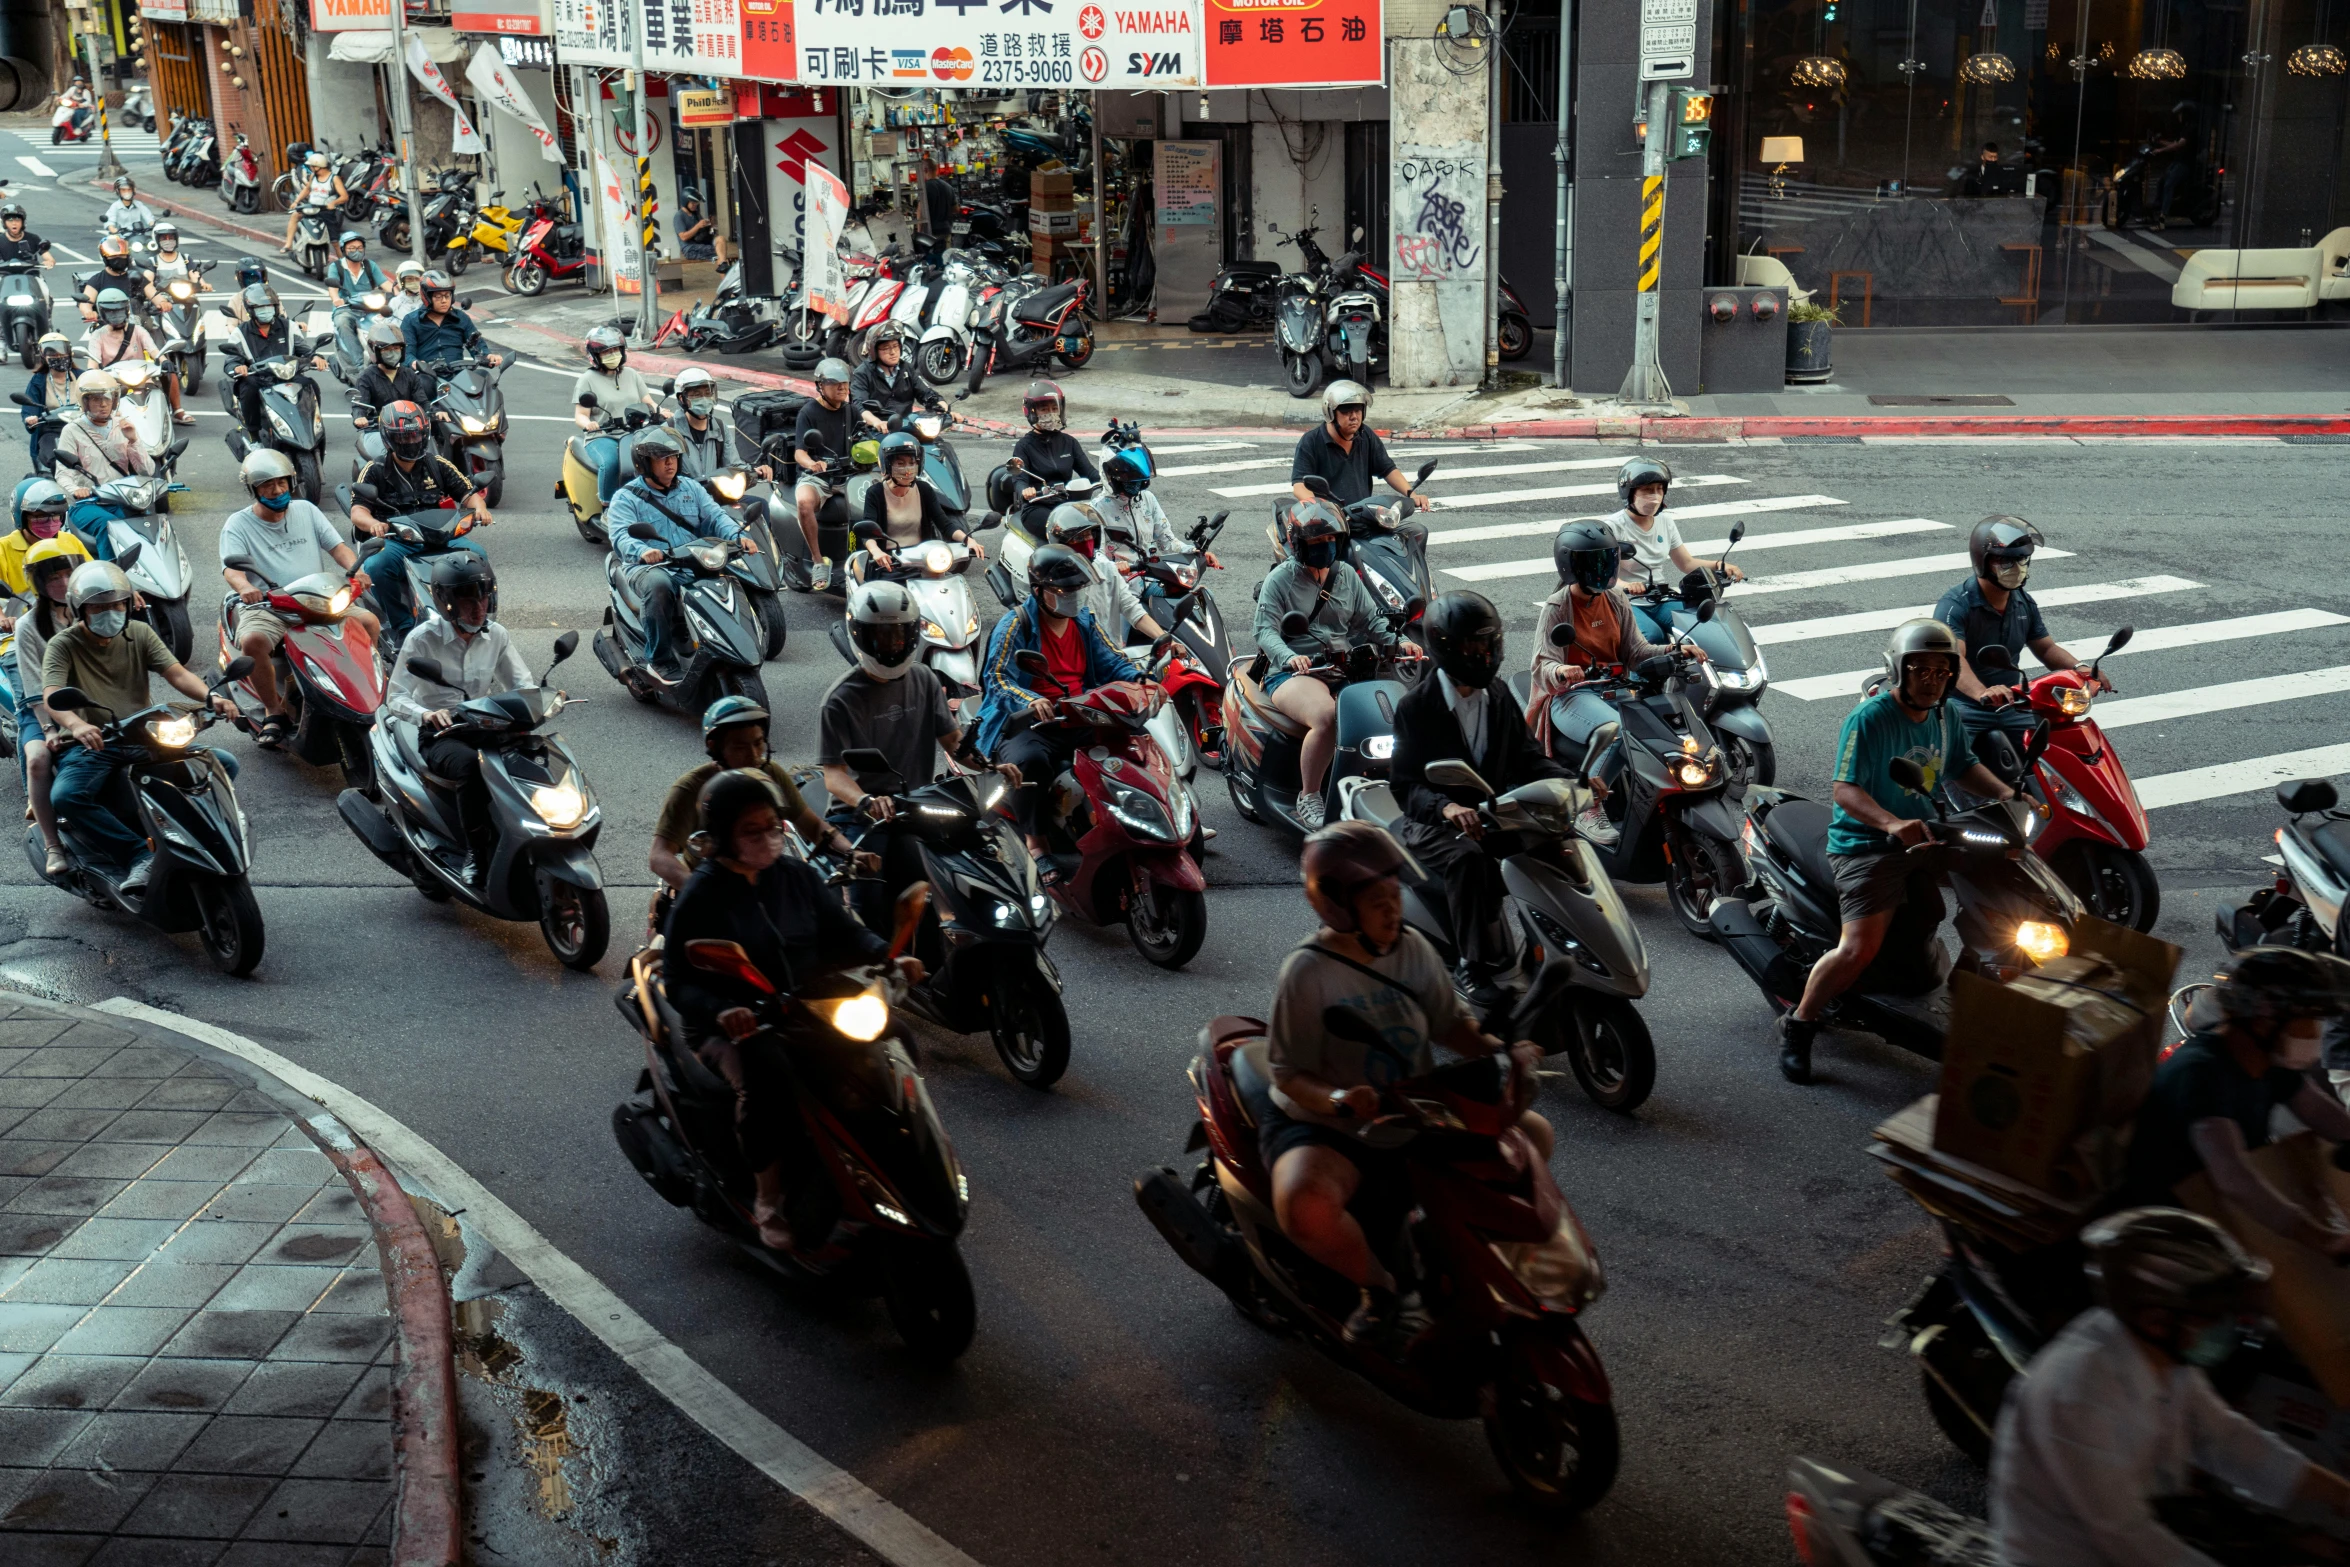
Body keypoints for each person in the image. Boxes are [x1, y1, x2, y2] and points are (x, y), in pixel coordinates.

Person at [1262, 821, 1548, 1348]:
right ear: (1338, 906)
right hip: (1330, 1125)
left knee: (1533, 1137)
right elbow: (1286, 1073)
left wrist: (1504, 1051)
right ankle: (1380, 1289)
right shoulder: (1307, 973)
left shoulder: (1411, 949)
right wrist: (1339, 1099)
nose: (1393, 911)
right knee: (1305, 1203)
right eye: (1377, 901)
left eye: (1394, 896)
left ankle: (1480, 1259)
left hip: (1412, 1107)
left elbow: (1450, 1024)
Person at [1991, 1207, 2350, 1565]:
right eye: (2213, 1317)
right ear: (2157, 1321)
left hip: (2151, 1522)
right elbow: (2129, 1537)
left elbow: (2228, 1440)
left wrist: (2343, 1496)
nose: (2227, 1327)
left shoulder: (2164, 1358)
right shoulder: (2076, 1396)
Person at [662, 769, 921, 1249]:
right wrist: (722, 1011)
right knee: (768, 1077)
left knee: (896, 1040)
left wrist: (888, 957)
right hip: (737, 1023)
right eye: (751, 831)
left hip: (804, 1007)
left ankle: (900, 1154)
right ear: (722, 838)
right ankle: (769, 1198)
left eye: (772, 826)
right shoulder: (703, 893)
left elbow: (843, 931)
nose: (768, 838)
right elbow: (677, 980)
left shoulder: (796, 875)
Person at [1776, 619, 2016, 1083]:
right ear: (1898, 671)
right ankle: (1800, 1023)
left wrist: (2008, 796)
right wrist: (1891, 823)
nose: (1931, 679)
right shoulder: (1869, 719)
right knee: (1858, 948)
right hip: (1867, 844)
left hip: (1927, 833)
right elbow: (1844, 789)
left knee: (1995, 895)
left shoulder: (1947, 716)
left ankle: (1964, 998)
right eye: (1920, 670)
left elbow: (1963, 765)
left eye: (1941, 670)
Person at [1391, 592, 1574, 1000]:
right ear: (1447, 649)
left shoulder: (1499, 695)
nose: (1484, 655)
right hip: (1434, 825)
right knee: (1469, 861)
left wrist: (1573, 782)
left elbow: (1528, 758)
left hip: (1494, 814)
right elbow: (1405, 787)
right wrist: (1448, 807)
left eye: (1489, 644)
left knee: (1558, 845)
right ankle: (1470, 965)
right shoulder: (1416, 708)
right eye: (1473, 647)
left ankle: (1556, 945)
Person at [2120, 948, 2350, 1249]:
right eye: (2308, 1020)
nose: (2315, 1033)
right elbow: (2235, 1179)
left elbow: (2319, 1110)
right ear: (2265, 1019)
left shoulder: (2268, 1061)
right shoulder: (2200, 1073)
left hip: (2215, 1213)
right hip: (2164, 1226)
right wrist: (2326, 1240)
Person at [821, 580, 1016, 933]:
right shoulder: (840, 699)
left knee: (973, 869)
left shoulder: (924, 679)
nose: (893, 645)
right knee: (870, 900)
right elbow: (833, 776)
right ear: (861, 637)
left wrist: (993, 766)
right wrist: (867, 801)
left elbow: (954, 741)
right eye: (883, 637)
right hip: (863, 818)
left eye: (900, 635)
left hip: (918, 806)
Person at [42, 560, 239, 891]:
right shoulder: (63, 644)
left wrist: (211, 697)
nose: (111, 612)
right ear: (80, 609)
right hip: (94, 743)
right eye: (99, 607)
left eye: (117, 604)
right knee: (67, 796)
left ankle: (191, 834)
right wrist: (76, 725)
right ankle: (137, 855)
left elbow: (176, 673)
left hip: (143, 734)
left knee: (222, 765)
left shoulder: (140, 633)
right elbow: (52, 695)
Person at [975, 543, 1140, 861]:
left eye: (1078, 587)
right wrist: (1031, 700)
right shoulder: (1014, 626)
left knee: (1134, 746)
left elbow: (1115, 662)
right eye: (1065, 588)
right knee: (1030, 763)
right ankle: (1037, 843)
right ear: (1038, 590)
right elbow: (996, 681)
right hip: (1028, 724)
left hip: (1081, 713)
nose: (1074, 594)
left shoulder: (1084, 622)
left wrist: (1142, 682)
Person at [1529, 519, 1682, 846]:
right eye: (1594, 563)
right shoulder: (1558, 606)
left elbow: (1636, 652)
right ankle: (1588, 807)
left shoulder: (1615, 598)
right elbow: (1542, 664)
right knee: (1617, 732)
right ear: (1572, 566)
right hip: (1571, 698)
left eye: (1607, 560)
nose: (1604, 569)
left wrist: (1674, 650)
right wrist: (1561, 671)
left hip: (1617, 690)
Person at [1251, 500, 1402, 829]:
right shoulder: (1281, 580)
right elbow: (1263, 630)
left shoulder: (1346, 575)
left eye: (1330, 541)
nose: (1325, 548)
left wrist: (1399, 642)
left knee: (1394, 712)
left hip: (1341, 666)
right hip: (1294, 673)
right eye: (1317, 543)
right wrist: (1290, 657)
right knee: (1325, 717)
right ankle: (1309, 796)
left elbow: (1371, 621)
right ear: (1298, 545)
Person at [383, 554, 533, 884]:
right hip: (443, 733)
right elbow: (395, 697)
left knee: (534, 756)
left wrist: (540, 703)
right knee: (470, 768)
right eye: (468, 601)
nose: (478, 608)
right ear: (447, 603)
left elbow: (521, 684)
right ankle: (475, 851)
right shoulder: (423, 639)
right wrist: (426, 713)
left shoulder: (496, 635)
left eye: (483, 598)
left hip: (486, 723)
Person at [220, 449, 377, 750]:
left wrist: (356, 569)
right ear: (253, 489)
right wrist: (244, 588)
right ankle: (273, 711)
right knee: (253, 641)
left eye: (281, 483)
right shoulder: (237, 524)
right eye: (267, 485)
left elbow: (338, 548)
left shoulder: (306, 510)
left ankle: (365, 692)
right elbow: (232, 569)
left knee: (368, 622)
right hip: (269, 605)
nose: (277, 490)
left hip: (317, 598)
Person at [1934, 515, 2112, 777]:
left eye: (2022, 560)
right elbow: (1954, 660)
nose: (2016, 567)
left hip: (2012, 702)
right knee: (1952, 770)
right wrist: (1984, 693)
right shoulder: (1956, 604)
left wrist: (2081, 669)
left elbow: (2046, 649)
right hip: (1965, 706)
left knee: (2052, 758)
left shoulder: (2023, 602)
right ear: (1983, 562)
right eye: (2006, 561)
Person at [652, 696, 860, 899]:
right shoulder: (690, 788)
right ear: (716, 748)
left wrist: (852, 853)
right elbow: (659, 856)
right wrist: (700, 892)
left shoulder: (771, 774)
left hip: (764, 885)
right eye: (740, 747)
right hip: (714, 889)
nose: (753, 755)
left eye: (758, 743)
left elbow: (814, 827)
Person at [603, 426, 746, 680]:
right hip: (648, 567)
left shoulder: (692, 488)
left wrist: (739, 536)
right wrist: (644, 550)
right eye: (662, 458)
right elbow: (620, 536)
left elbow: (715, 516)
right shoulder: (625, 498)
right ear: (645, 463)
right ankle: (659, 659)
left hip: (692, 561)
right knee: (659, 586)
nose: (670, 464)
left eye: (674, 457)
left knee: (728, 582)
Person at [350, 400, 490, 643]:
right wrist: (373, 523)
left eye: (416, 435)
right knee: (376, 567)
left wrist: (480, 510)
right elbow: (358, 511)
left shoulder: (438, 465)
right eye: (404, 437)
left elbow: (470, 495)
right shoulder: (374, 470)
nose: (411, 442)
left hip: (440, 537)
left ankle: (477, 617)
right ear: (388, 438)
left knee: (477, 556)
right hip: (398, 540)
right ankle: (402, 626)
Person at [1600, 456, 1742, 639]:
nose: (1655, 496)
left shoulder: (1665, 522)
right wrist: (1628, 585)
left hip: (1660, 597)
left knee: (1700, 628)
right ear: (1630, 493)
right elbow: (1604, 577)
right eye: (1648, 490)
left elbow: (1686, 563)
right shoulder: (1613, 527)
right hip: (1626, 601)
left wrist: (1719, 566)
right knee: (1652, 637)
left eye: (1659, 490)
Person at [16, 535, 90, 877]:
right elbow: (33, 687)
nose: (61, 584)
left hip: (93, 700)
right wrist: (50, 728)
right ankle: (53, 844)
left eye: (66, 575)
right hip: (42, 711)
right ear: (39, 583)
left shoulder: (95, 609)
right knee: (38, 759)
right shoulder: (28, 625)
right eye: (52, 578)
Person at [852, 432, 983, 582]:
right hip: (889, 564)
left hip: (924, 561)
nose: (908, 469)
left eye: (912, 463)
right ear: (887, 465)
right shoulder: (875, 493)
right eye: (900, 464)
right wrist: (876, 552)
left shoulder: (924, 489)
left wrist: (968, 540)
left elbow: (945, 524)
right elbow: (868, 534)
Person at [1288, 380, 1427, 513]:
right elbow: (1299, 486)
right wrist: (1320, 509)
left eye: (1358, 410)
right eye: (1346, 411)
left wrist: (1412, 494)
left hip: (1362, 516)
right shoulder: (1311, 441)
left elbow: (1387, 469)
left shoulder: (1365, 435)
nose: (1354, 417)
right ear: (1331, 413)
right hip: (1330, 522)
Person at [1039, 501, 1158, 644]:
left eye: (1089, 535)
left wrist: (1164, 638)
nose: (1087, 541)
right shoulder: (1054, 582)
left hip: (1110, 655)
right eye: (1079, 538)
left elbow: (1133, 609)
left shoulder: (1106, 569)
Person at [53, 371, 157, 533]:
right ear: (85, 402)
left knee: (148, 526)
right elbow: (63, 474)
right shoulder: (72, 430)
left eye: (107, 398)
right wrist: (76, 490)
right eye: (96, 399)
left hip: (122, 498)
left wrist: (133, 440)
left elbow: (147, 471)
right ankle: (108, 560)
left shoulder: (123, 425)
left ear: (114, 400)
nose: (103, 404)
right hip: (88, 502)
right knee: (109, 526)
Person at [789, 358, 858, 591]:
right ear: (820, 386)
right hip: (818, 478)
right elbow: (800, 452)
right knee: (804, 503)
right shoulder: (808, 413)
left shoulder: (850, 411)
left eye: (845, 383)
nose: (842, 388)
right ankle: (819, 561)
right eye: (835, 383)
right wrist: (812, 464)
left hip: (849, 476)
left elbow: (865, 436)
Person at [571, 324, 657, 505]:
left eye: (616, 350)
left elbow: (648, 402)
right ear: (595, 356)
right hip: (602, 436)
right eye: (606, 352)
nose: (613, 355)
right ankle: (607, 506)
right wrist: (588, 424)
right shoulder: (587, 380)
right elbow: (580, 415)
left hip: (633, 433)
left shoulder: (631, 375)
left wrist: (660, 411)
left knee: (659, 457)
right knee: (610, 463)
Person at [83, 287, 194, 425]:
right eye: (111, 312)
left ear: (126, 310)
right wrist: (92, 373)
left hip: (141, 376)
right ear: (102, 312)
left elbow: (154, 350)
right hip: (113, 381)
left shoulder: (138, 330)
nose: (116, 315)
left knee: (168, 375)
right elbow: (92, 363)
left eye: (119, 311)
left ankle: (176, 411)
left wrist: (164, 361)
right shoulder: (97, 335)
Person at [1097, 445, 1217, 571]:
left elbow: (1167, 541)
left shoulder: (1148, 499)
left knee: (1198, 591)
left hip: (1151, 576)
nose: (1135, 484)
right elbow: (1095, 556)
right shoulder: (1097, 509)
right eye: (1127, 476)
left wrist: (1195, 553)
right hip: (1119, 583)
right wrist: (1114, 567)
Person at [1010, 379, 1098, 536]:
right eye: (1044, 409)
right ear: (1031, 412)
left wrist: (1111, 480)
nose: (1050, 413)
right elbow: (1019, 479)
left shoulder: (1069, 442)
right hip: (1037, 507)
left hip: (1068, 504)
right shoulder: (1024, 446)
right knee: (1065, 530)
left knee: (1099, 527)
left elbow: (1090, 473)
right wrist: (1025, 490)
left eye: (1054, 408)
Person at [666, 366, 767, 482]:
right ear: (681, 398)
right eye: (696, 395)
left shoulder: (720, 428)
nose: (704, 399)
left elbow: (733, 465)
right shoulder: (669, 431)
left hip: (715, 494)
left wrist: (754, 471)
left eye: (708, 393)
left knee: (760, 501)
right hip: (683, 497)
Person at [0, 481, 89, 601]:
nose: (50, 522)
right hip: (23, 615)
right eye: (40, 516)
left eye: (56, 515)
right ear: (21, 517)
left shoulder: (70, 541)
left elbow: (90, 575)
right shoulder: (3, 549)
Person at [850, 323, 944, 433]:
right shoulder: (862, 373)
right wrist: (876, 422)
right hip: (876, 431)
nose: (893, 352)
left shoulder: (907, 369)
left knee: (941, 448)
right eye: (886, 348)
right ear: (874, 351)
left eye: (895, 346)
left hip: (906, 427)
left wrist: (942, 406)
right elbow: (859, 405)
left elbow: (926, 392)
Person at [400, 270, 498, 370]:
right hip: (427, 374)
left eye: (447, 296)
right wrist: (414, 363)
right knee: (425, 383)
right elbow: (406, 353)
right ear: (427, 297)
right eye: (438, 296)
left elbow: (476, 345)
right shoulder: (411, 321)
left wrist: (488, 356)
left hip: (458, 375)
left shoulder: (461, 318)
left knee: (483, 378)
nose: (444, 300)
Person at [351, 320, 437, 430]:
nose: (392, 352)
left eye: (396, 348)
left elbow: (422, 402)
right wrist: (360, 417)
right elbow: (360, 405)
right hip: (378, 430)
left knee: (429, 445)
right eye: (386, 349)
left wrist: (435, 412)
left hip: (409, 430)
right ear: (375, 351)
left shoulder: (409, 374)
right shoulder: (366, 377)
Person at [327, 231, 388, 367]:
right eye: (352, 248)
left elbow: (385, 284)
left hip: (370, 307)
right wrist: (336, 299)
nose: (357, 251)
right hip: (346, 308)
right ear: (343, 250)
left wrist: (400, 291)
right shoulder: (336, 267)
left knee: (391, 321)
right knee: (342, 322)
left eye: (360, 248)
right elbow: (333, 289)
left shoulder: (369, 265)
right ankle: (360, 363)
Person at [20, 333, 76, 469]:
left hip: (81, 428)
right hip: (52, 430)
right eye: (53, 355)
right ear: (44, 357)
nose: (59, 357)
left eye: (62, 353)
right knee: (54, 460)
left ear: (70, 353)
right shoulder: (38, 381)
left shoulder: (83, 376)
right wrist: (30, 419)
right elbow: (29, 408)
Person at [282, 151, 345, 256]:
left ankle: (344, 265)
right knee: (295, 215)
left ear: (317, 167)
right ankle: (288, 244)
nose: (310, 168)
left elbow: (344, 196)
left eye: (311, 166)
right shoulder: (313, 177)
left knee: (335, 241)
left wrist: (334, 203)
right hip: (312, 208)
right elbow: (307, 189)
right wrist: (296, 202)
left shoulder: (334, 179)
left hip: (326, 210)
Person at [78, 236, 150, 323]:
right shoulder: (97, 280)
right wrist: (88, 312)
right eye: (113, 256)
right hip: (106, 325)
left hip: (137, 323)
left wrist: (162, 303)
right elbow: (86, 302)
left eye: (122, 255)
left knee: (156, 332)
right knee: (90, 336)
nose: (119, 259)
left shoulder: (136, 277)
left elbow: (154, 294)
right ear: (104, 258)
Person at [0, 202, 55, 270]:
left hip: (31, 275)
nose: (14, 223)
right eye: (10, 220)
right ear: (4, 223)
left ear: (23, 222)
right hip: (4, 277)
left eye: (17, 220)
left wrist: (49, 262)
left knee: (41, 281)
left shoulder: (33, 238)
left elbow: (49, 258)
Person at [675, 187, 715, 260]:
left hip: (701, 245)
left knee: (720, 241)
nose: (695, 205)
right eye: (692, 203)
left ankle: (723, 266)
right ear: (685, 202)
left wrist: (709, 225)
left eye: (696, 203)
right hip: (690, 249)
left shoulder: (695, 214)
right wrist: (698, 226)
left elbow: (702, 232)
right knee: (718, 251)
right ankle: (724, 267)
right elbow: (683, 237)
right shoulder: (679, 216)